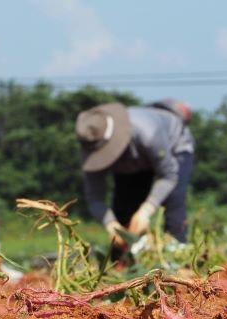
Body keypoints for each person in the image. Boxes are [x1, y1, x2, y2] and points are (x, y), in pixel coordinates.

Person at [76, 99, 194, 250]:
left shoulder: (148, 135)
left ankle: (177, 255)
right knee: (124, 210)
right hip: (134, 161)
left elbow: (168, 177)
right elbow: (94, 198)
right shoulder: (91, 143)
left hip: (173, 148)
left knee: (173, 205)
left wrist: (146, 210)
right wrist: (110, 223)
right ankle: (125, 261)